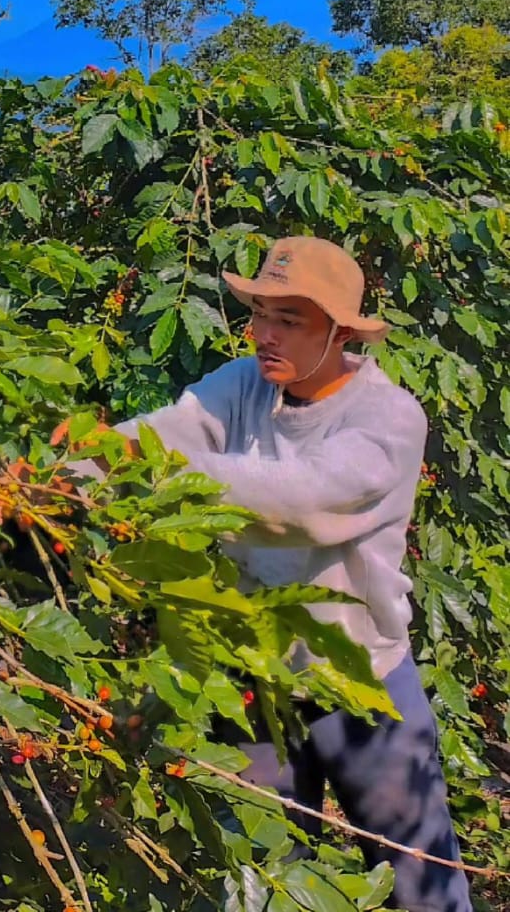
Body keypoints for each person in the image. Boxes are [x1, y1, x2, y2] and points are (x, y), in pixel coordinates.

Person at [83, 236, 472, 912]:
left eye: (288, 320)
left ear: (341, 333)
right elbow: (165, 431)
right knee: (259, 874)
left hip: (361, 681)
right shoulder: (242, 385)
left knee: (421, 883)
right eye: (260, 314)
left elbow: (298, 502)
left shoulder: (387, 418)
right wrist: (60, 473)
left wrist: (147, 466)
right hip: (255, 678)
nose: (264, 334)